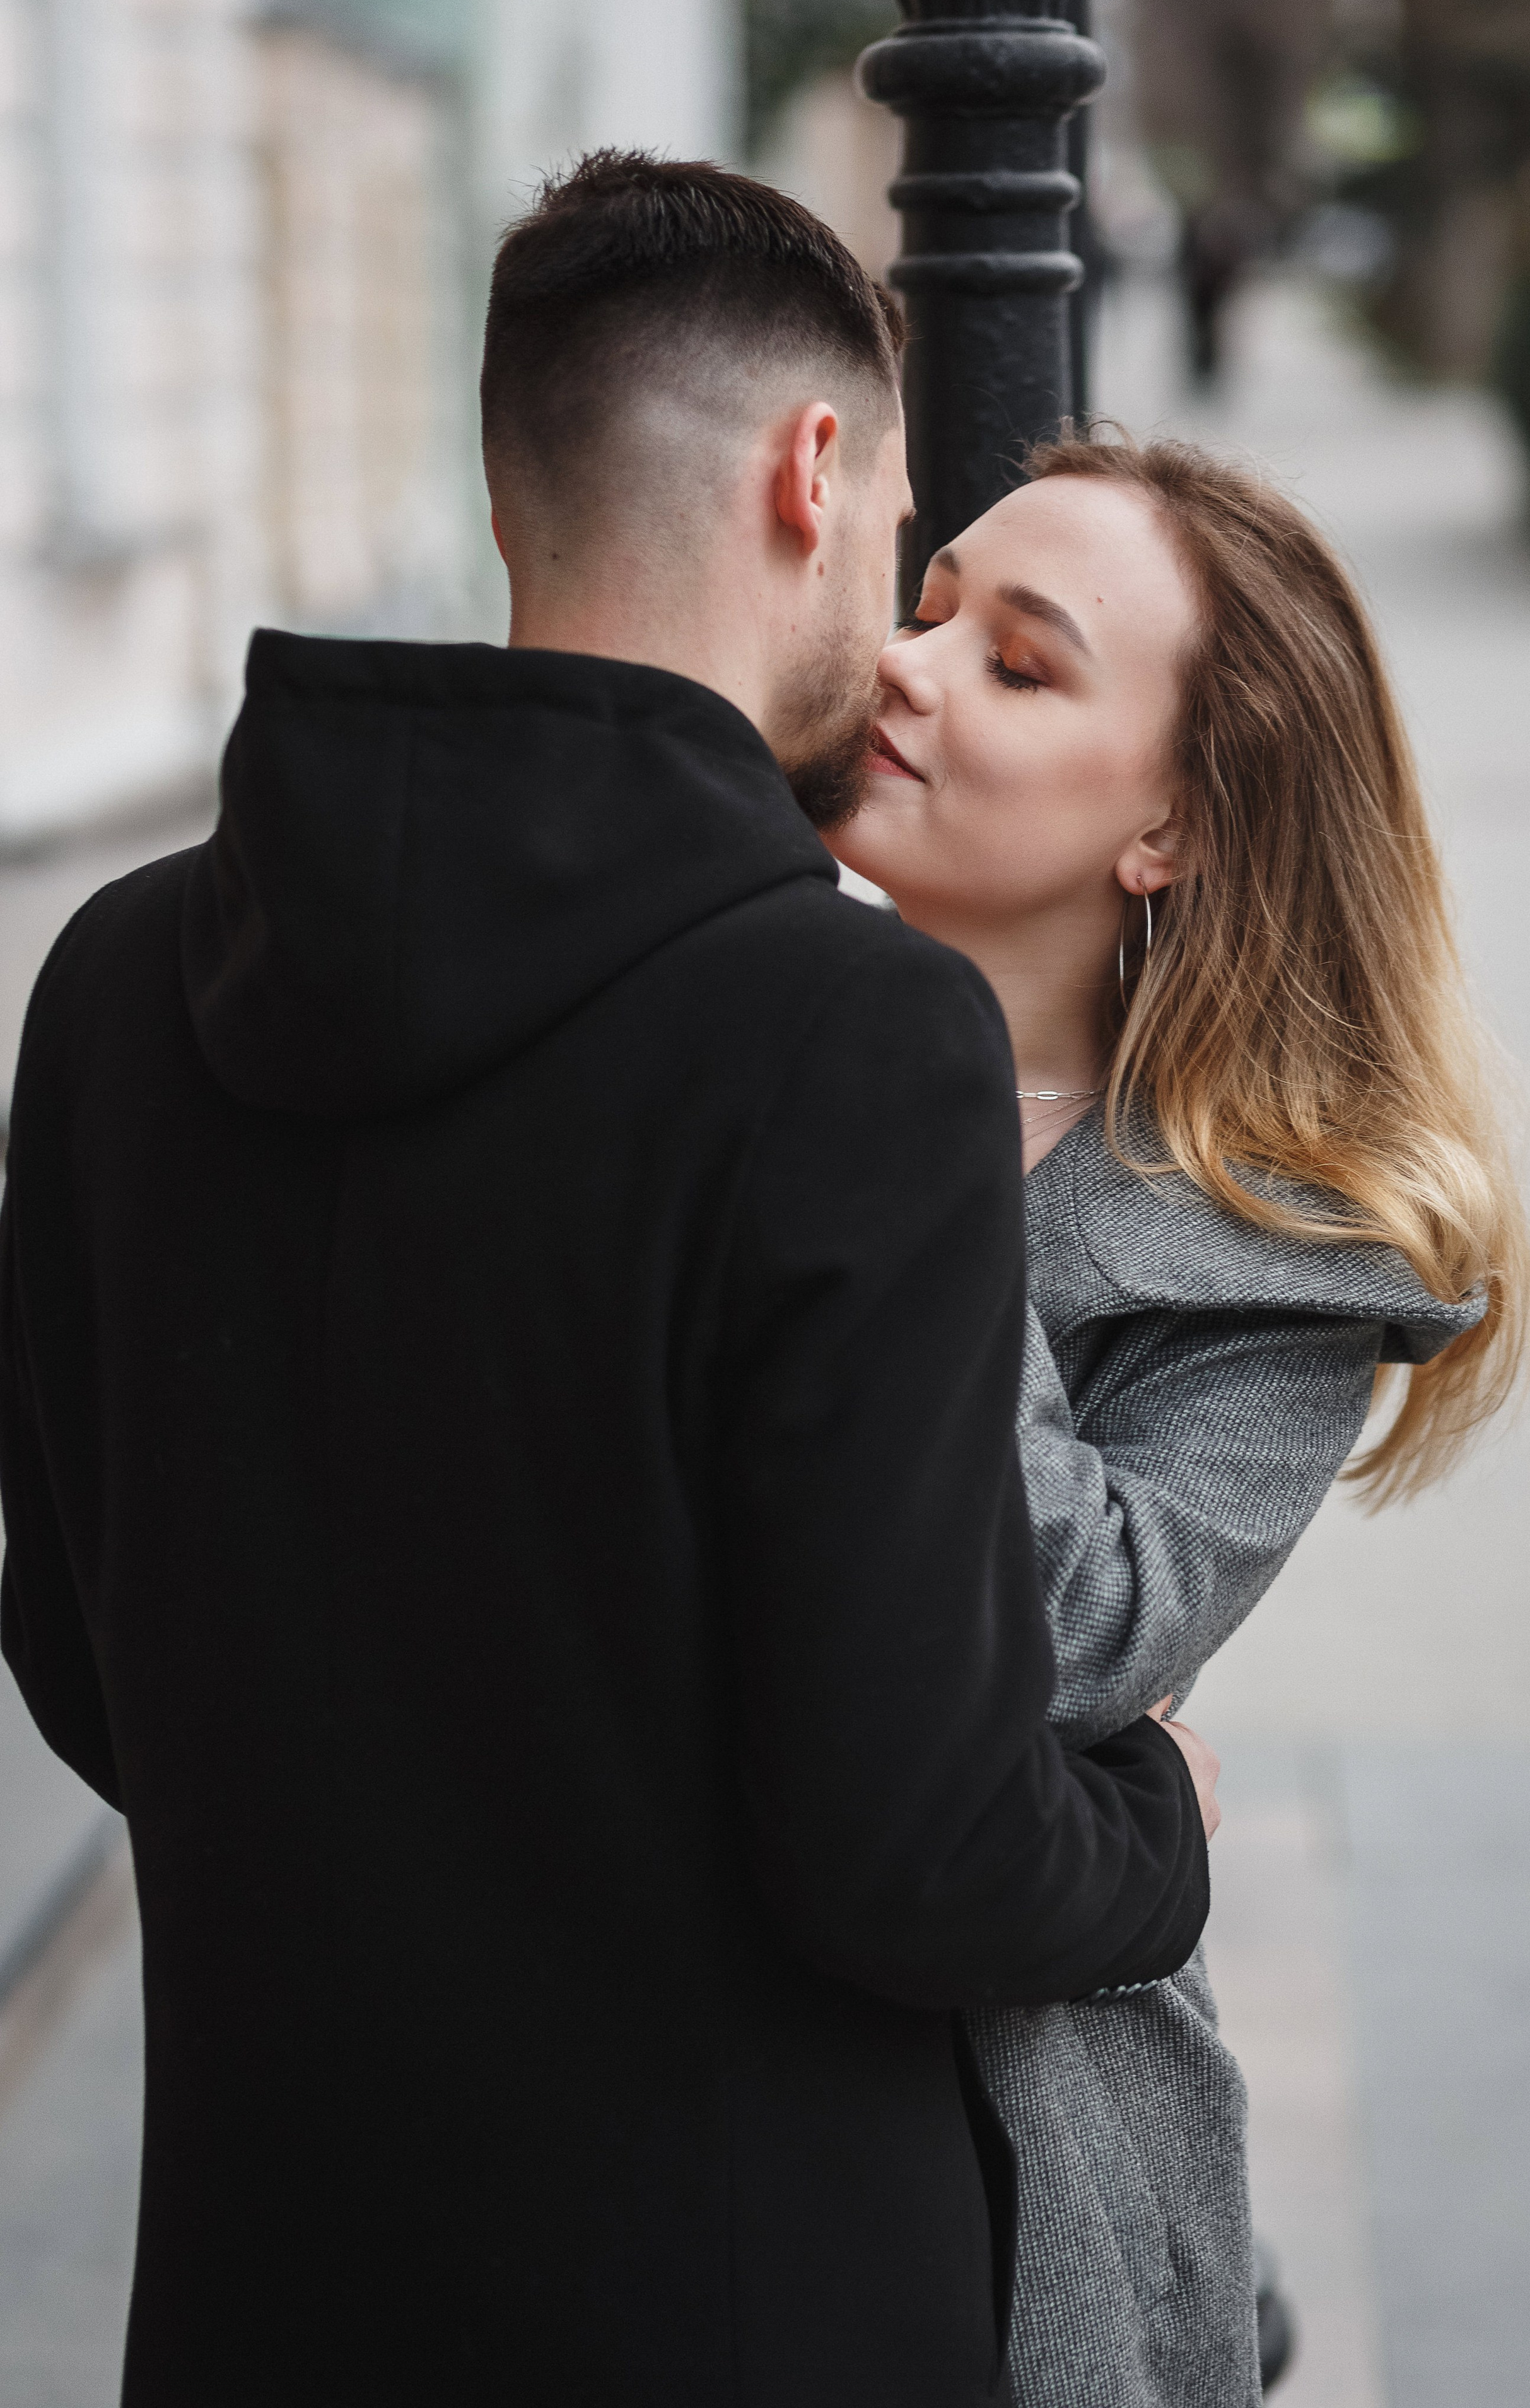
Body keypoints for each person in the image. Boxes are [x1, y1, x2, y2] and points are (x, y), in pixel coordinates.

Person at [0, 160, 1220, 2408]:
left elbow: (87, 1662)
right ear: (815, 472)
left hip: (263, 2307)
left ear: (509, 490)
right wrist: (1156, 1835)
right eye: (905, 538)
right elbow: (914, 1850)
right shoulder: (848, 1046)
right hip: (750, 2321)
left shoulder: (102, 991)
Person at [828, 427, 1530, 2407]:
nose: (910, 664)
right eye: (934, 603)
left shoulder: (1278, 1258)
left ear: (1170, 831)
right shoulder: (720, 1029)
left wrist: (918, 1117)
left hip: (1006, 2135)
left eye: (1021, 664)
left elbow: (1073, 1631)